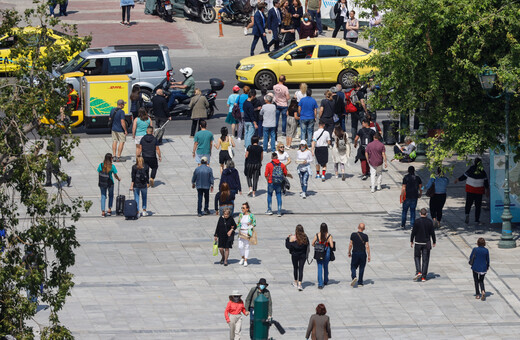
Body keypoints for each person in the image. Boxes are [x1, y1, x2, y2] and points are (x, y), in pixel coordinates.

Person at [454, 158, 489, 225]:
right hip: (479, 190)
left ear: (474, 163)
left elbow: (464, 176)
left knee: (468, 203)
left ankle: (467, 214)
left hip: (470, 189)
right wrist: (487, 190)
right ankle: (476, 220)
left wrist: (458, 179)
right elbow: (486, 182)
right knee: (478, 206)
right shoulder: (483, 171)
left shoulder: (471, 169)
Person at [410, 208, 436, 282]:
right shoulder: (429, 222)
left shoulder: (417, 221)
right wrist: (434, 241)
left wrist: (411, 240)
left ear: (420, 214)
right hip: (426, 243)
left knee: (417, 257)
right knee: (425, 259)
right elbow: (432, 233)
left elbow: (413, 232)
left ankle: (418, 271)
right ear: (426, 214)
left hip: (418, 242)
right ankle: (424, 277)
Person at [285, 224, 309, 291]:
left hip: (295, 255)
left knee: (295, 268)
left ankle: (295, 282)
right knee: (301, 269)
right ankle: (300, 284)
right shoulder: (305, 238)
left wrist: (287, 238)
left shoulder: (293, 238)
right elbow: (307, 246)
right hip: (302, 256)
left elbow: (288, 246)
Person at [97, 153, 121, 217]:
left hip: (102, 182)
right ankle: (109, 209)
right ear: (110, 158)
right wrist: (118, 179)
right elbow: (115, 175)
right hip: (110, 182)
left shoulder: (101, 165)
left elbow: (99, 172)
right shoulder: (112, 166)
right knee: (110, 195)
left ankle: (103, 211)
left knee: (103, 196)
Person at [348, 223, 370, 287]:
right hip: (363, 254)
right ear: (364, 228)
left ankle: (354, 276)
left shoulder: (353, 235)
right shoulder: (365, 236)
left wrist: (349, 252)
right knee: (362, 267)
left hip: (355, 253)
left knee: (353, 266)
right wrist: (369, 255)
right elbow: (367, 246)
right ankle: (360, 282)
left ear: (358, 227)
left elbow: (350, 244)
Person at [312, 223, 333, 289]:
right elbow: (332, 246)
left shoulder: (317, 235)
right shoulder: (329, 236)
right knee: (326, 266)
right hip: (326, 251)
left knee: (319, 267)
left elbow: (312, 243)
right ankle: (326, 280)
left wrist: (318, 245)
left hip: (319, 252)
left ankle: (320, 284)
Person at [237, 202, 256, 267]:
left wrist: (250, 224)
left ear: (247, 209)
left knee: (246, 246)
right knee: (240, 246)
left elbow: (254, 223)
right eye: (242, 208)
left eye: (243, 208)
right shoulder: (241, 215)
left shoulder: (251, 215)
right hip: (241, 232)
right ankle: (242, 257)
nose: (242, 209)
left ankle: (245, 260)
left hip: (247, 232)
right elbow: (239, 223)